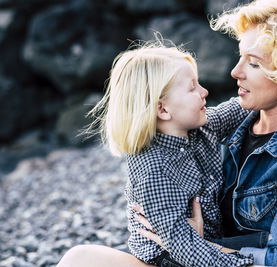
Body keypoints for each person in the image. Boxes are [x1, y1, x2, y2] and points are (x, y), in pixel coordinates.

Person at [58, 0, 277, 265]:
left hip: (208, 258)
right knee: (79, 258)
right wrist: (180, 238)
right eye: (240, 57)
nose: (235, 72)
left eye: (253, 63)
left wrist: (199, 246)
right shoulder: (228, 124)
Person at [58, 42, 257, 267]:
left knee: (273, 244)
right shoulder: (154, 168)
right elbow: (181, 245)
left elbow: (239, 109)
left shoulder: (200, 127)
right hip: (169, 257)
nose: (205, 92)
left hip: (205, 242)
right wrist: (242, 265)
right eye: (192, 88)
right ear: (162, 109)